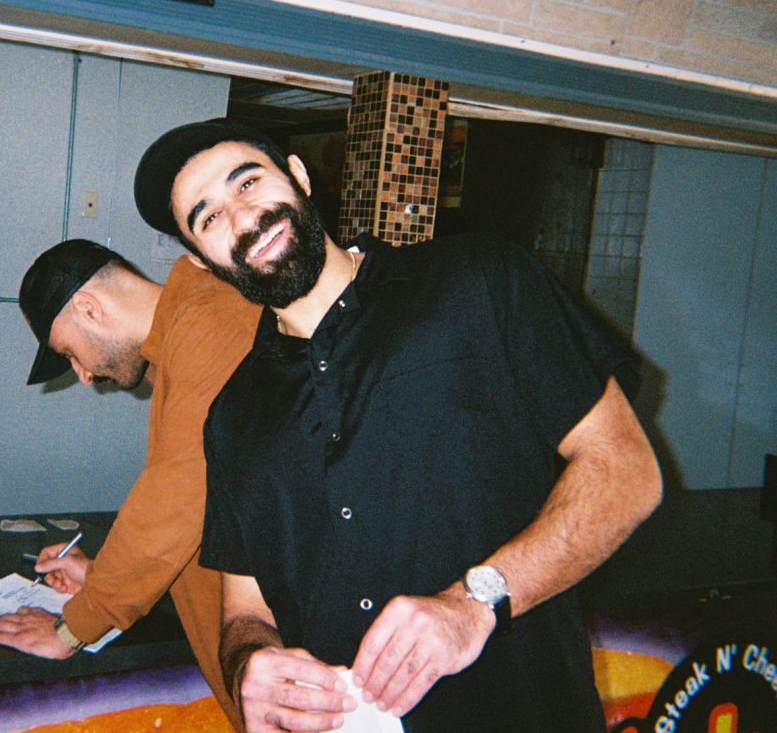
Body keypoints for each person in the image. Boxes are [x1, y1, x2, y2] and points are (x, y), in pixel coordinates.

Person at [132, 118, 663, 732]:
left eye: (247, 182)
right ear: (202, 261)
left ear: (299, 176)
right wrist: (250, 661)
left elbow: (626, 470)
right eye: (207, 218)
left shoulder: (480, 280)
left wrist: (474, 604)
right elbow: (244, 609)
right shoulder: (232, 417)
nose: (242, 218)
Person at [0, 238, 259, 731]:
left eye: (70, 353)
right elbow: (207, 511)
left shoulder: (211, 322)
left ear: (89, 308)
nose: (84, 376)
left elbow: (177, 498)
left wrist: (74, 627)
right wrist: (104, 573)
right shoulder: (180, 344)